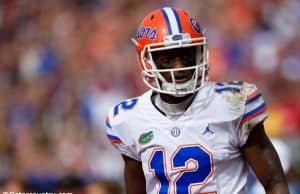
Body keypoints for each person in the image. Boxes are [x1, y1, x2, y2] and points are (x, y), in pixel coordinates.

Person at [105, 7, 289, 194]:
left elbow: (274, 182)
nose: (179, 67)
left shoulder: (233, 104)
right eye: (168, 58)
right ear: (147, 60)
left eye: (186, 56)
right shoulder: (128, 119)